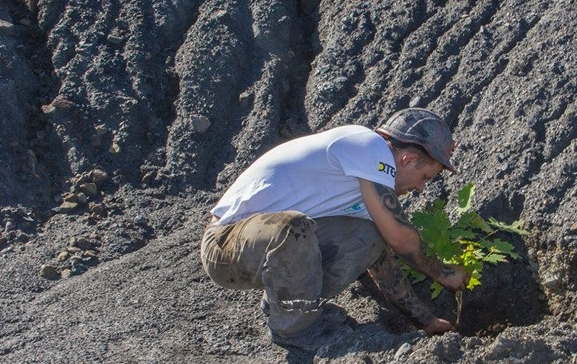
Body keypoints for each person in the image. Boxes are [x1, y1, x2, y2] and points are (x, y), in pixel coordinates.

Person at [200, 108, 470, 351]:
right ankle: (294, 328)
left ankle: (291, 308)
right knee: (294, 228)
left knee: (369, 236)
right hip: (226, 243)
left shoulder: (365, 183)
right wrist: (444, 273)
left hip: (261, 243)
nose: (421, 187)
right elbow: (401, 239)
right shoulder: (369, 146)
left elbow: (383, 264)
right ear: (408, 159)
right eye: (425, 177)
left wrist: (427, 320)